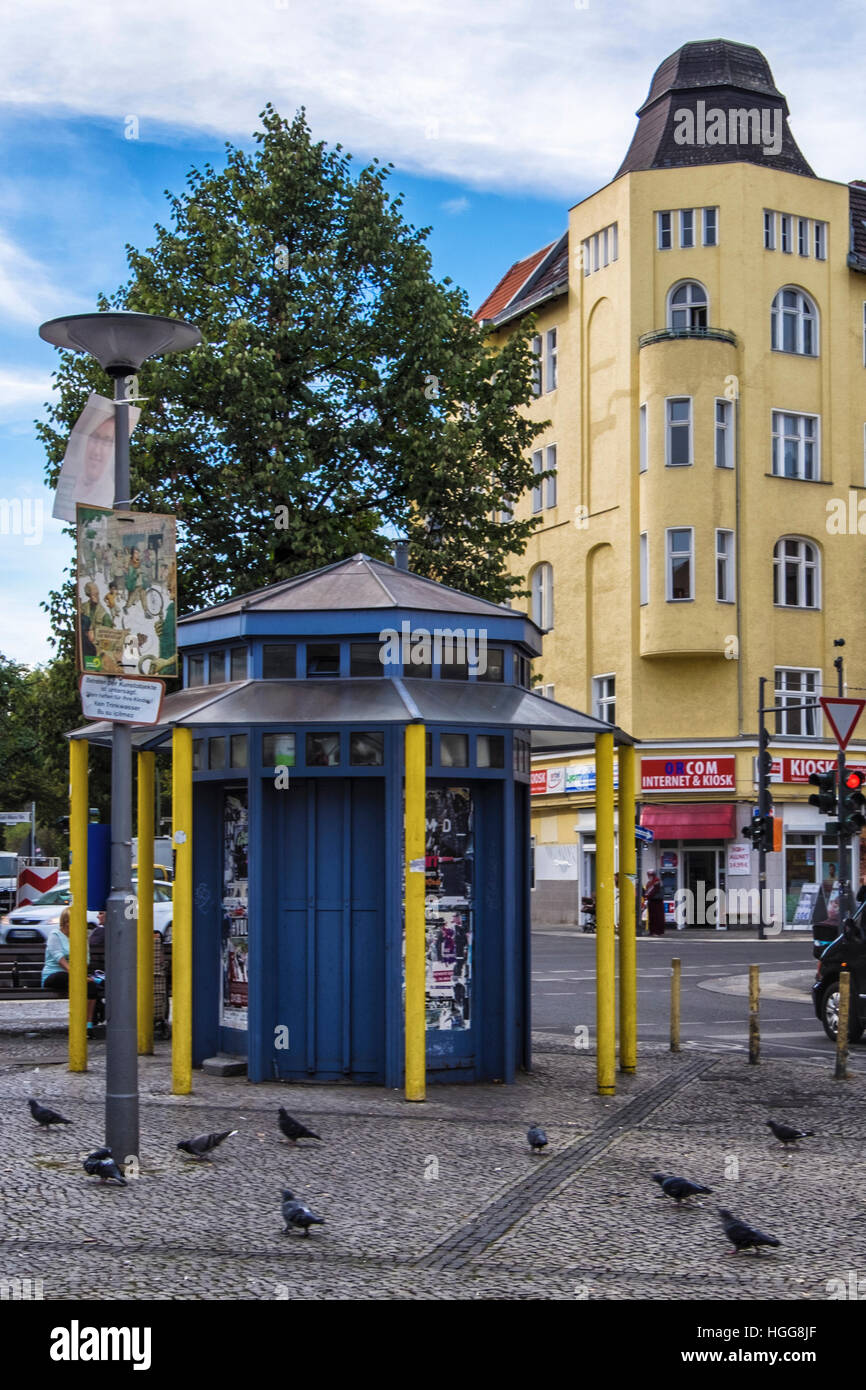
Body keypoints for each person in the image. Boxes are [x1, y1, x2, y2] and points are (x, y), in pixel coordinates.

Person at [42, 907, 102, 1030]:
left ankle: (88, 1024)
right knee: (68, 977)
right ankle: (79, 1022)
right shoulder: (55, 935)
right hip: (55, 975)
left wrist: (80, 975)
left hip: (76, 977)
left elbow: (86, 959)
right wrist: (78, 976)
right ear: (66, 923)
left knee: (91, 987)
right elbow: (59, 959)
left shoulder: (81, 937)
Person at [642, 871, 665, 936]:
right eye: (648, 875)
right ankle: (653, 931)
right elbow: (648, 891)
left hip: (657, 902)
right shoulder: (650, 883)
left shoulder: (657, 882)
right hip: (652, 901)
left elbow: (652, 891)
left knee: (657, 917)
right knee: (652, 917)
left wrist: (646, 896)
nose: (648, 876)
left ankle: (657, 931)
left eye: (650, 875)